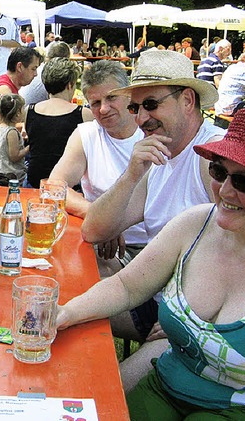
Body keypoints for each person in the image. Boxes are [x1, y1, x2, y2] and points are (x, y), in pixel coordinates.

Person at [58, 108, 245, 419]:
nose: (224, 190)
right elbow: (126, 286)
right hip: (166, 386)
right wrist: (66, 313)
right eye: (219, 172)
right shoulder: (196, 223)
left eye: (244, 182)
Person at [82, 50, 224, 389]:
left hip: (198, 321)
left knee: (110, 396)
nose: (141, 117)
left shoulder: (214, 157)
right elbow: (94, 230)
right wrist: (132, 173)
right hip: (156, 301)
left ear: (188, 100)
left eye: (151, 104)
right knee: (66, 290)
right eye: (135, 107)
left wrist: (191, 316)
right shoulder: (159, 153)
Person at [49, 60, 147, 268]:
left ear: (129, 95)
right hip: (104, 245)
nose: (103, 109)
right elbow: (54, 187)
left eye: (111, 97)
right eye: (95, 103)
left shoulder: (150, 131)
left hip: (154, 244)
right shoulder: (87, 135)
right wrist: (100, 218)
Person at [24, 57, 92, 187]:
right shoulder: (83, 114)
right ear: (70, 84)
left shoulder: (29, 110)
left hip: (34, 181)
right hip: (69, 185)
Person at [0, 47, 41, 172]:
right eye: (33, 68)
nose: (35, 74)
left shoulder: (5, 84)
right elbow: (10, 127)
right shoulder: (5, 91)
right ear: (20, 67)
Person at [0, 93, 29, 183]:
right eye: (22, 109)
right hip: (12, 175)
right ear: (17, 114)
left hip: (0, 171)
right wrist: (29, 147)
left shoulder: (1, 127)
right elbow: (14, 156)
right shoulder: (11, 132)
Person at [21, 42, 69, 106]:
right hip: (33, 113)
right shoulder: (56, 75)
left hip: (23, 109)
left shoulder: (39, 68)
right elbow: (62, 105)